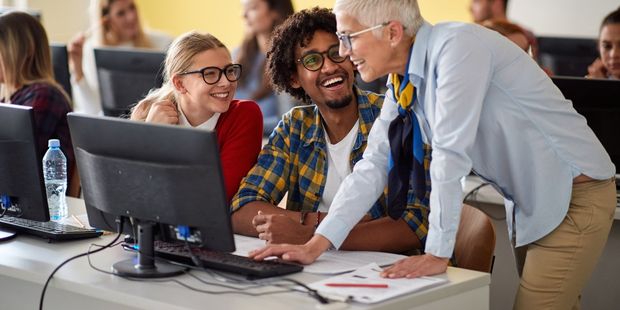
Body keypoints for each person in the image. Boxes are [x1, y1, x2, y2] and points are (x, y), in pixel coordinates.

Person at [250, 1, 616, 309]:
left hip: (572, 196)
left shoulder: (457, 49)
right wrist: (317, 244)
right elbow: (375, 164)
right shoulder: (404, 76)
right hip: (535, 199)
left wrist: (437, 253)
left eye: (347, 38)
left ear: (392, 32)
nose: (343, 53)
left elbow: (449, 154)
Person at [231, 7, 428, 253]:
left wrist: (309, 237)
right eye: (312, 60)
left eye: (336, 53)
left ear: (351, 56)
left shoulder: (396, 116)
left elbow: (416, 224)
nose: (329, 67)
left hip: (390, 275)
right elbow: (243, 208)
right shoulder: (295, 127)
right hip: (315, 272)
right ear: (294, 78)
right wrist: (315, 222)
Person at [130, 31, 263, 203]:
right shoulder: (149, 115)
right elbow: (134, 192)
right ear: (179, 83)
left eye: (229, 70)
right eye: (210, 74)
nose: (226, 82)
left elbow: (217, 195)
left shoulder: (244, 115)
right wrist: (153, 136)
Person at [0, 11, 76, 190]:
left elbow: (14, 160)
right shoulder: (12, 98)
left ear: (25, 52)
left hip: (41, 208)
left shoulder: (44, 95)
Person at [68, 0, 172, 115]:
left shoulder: (164, 43)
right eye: (121, 13)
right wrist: (78, 70)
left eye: (132, 7)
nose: (131, 17)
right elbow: (92, 110)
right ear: (105, 20)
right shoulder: (90, 51)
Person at [235, 0, 296, 135]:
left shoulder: (288, 59)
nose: (244, 15)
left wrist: (241, 126)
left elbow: (289, 119)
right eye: (243, 8)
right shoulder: (236, 56)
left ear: (275, 11)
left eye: (252, 8)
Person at [587, 7, 620, 80]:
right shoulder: (593, 79)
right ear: (598, 47)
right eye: (607, 46)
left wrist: (603, 87)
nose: (614, 54)